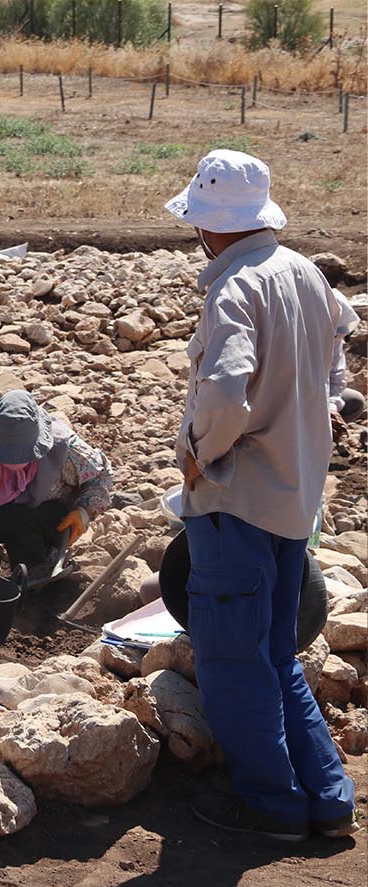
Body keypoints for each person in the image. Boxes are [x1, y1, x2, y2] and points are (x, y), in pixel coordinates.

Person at [166, 149, 356, 841]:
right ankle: (330, 801)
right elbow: (342, 335)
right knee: (277, 656)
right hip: (293, 499)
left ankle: (273, 810)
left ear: (209, 228)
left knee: (234, 666)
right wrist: (330, 397)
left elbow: (225, 388)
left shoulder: (235, 288)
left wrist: (197, 453)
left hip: (237, 499)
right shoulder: (304, 272)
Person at [0, 390, 112, 581]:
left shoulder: (64, 448)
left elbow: (102, 474)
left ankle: (34, 569)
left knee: (10, 515)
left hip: (46, 522)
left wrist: (84, 510)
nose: (13, 460)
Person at [330, 289, 364, 441]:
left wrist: (331, 408)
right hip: (289, 401)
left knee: (353, 401)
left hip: (317, 398)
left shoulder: (335, 341)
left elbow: (336, 379)